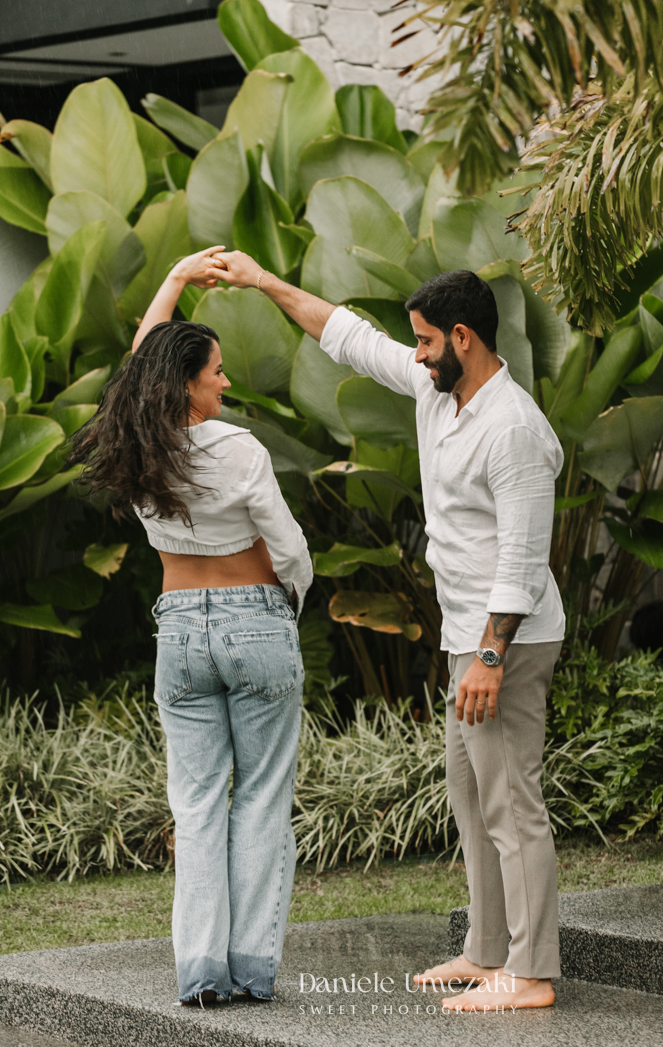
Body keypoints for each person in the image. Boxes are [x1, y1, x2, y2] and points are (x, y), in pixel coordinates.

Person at [215, 253, 565, 1012]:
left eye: (426, 341)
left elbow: (524, 561)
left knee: (511, 804)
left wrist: (490, 656)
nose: (414, 353)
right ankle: (484, 949)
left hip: (507, 641)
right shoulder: (437, 391)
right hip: (465, 640)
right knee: (471, 798)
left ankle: (531, 971)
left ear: (463, 337)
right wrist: (263, 282)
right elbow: (347, 336)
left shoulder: (515, 431)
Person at [70, 247, 312, 1009]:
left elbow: (142, 362)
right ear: (188, 384)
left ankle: (202, 972)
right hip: (254, 622)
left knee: (198, 804)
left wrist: (174, 280)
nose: (226, 382)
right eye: (216, 373)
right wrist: (287, 601)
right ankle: (251, 969)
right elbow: (289, 546)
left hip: (177, 632)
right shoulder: (238, 448)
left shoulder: (137, 445)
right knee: (262, 797)